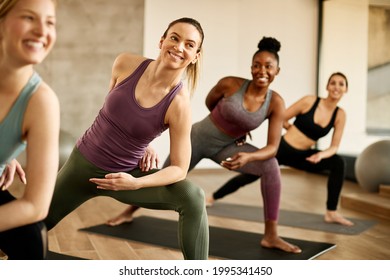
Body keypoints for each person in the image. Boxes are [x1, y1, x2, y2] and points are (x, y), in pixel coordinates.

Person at [107, 36, 302, 254]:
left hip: (227, 148)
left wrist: (248, 156)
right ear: (251, 68)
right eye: (257, 65)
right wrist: (227, 121)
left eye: (268, 67)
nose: (262, 71)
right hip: (198, 138)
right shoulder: (231, 84)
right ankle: (129, 211)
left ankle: (271, 235)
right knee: (163, 176)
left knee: (271, 166)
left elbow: (272, 147)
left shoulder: (276, 103)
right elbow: (211, 102)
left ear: (277, 71)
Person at [44, 17, 208, 260]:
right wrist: (147, 144)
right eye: (174, 38)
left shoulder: (179, 104)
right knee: (29, 227)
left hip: (125, 176)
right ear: (162, 40)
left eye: (189, 44)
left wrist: (135, 183)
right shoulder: (125, 63)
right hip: (81, 167)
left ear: (195, 55)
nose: (179, 47)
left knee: (192, 196)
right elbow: (115, 113)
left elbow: (180, 169)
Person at [205, 72, 353, 226]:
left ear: (346, 89)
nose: (336, 87)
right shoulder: (310, 101)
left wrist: (321, 155)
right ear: (327, 86)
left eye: (341, 84)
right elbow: (281, 116)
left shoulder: (340, 114)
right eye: (333, 83)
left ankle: (331, 212)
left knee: (338, 162)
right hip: (281, 149)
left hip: (304, 156)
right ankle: (213, 197)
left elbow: (334, 146)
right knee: (249, 176)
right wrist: (291, 128)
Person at [0, 0, 59, 260]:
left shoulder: (41, 102)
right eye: (28, 18)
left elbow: (35, 206)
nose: (41, 31)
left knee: (31, 236)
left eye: (49, 22)